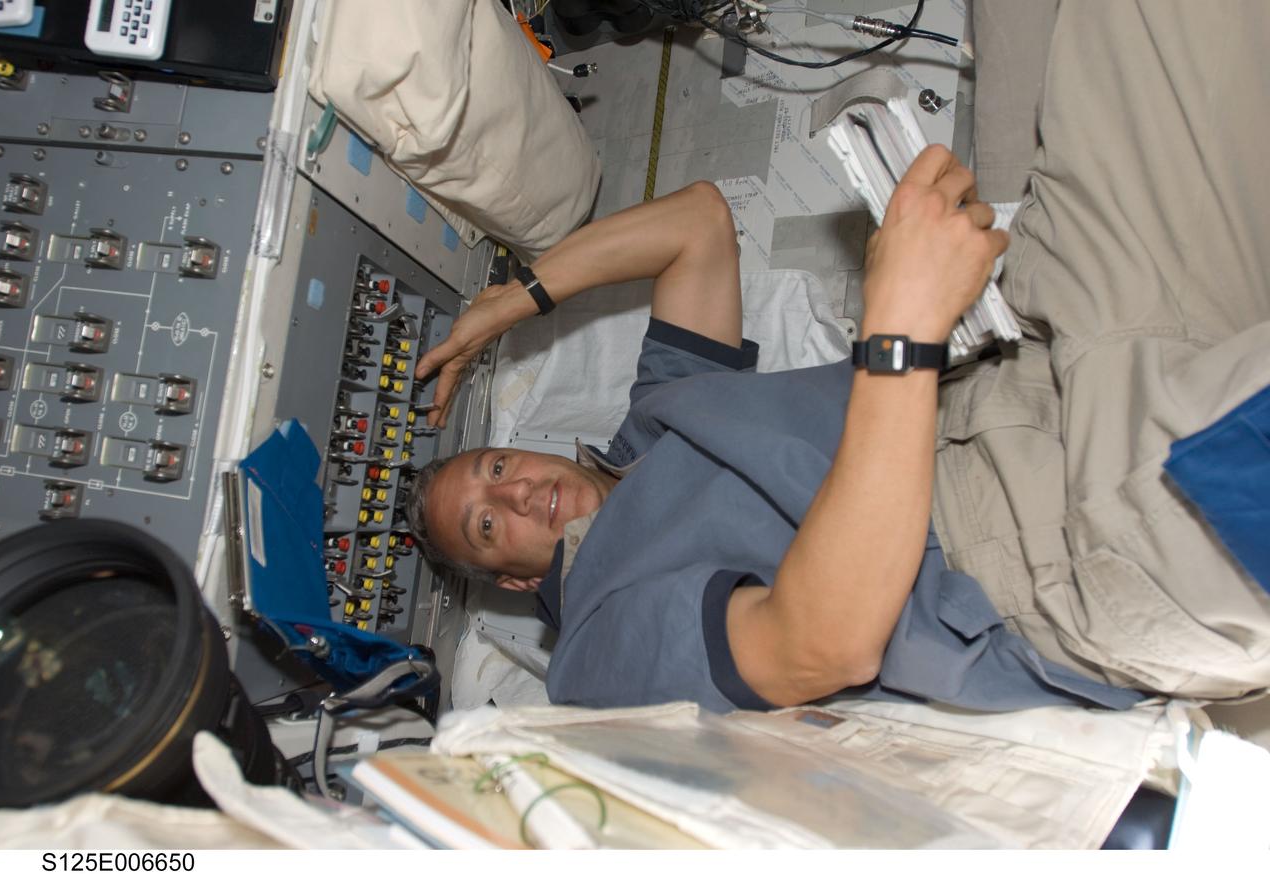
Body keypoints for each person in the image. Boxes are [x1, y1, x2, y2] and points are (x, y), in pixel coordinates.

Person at [409, 0, 1270, 712]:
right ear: (516, 584)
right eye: (491, 525)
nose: (517, 493)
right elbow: (818, 644)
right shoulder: (599, 649)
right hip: (1038, 539)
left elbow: (698, 225)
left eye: (493, 466)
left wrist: (512, 299)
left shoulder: (659, 425)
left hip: (1026, 340)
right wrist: (898, 336)